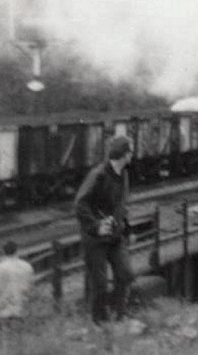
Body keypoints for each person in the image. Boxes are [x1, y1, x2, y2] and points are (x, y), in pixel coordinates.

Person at [74, 135, 135, 324]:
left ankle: (120, 315)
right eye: (130, 150)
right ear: (124, 154)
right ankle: (99, 322)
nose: (132, 154)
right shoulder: (98, 175)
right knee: (99, 284)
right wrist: (95, 226)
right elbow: (80, 203)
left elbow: (120, 205)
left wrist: (128, 229)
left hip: (115, 236)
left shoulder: (123, 174)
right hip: (96, 239)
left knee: (125, 274)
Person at [0, 240, 35, 327]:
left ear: (3, 252)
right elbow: (31, 287)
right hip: (23, 309)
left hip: (4, 312)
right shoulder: (27, 266)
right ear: (17, 251)